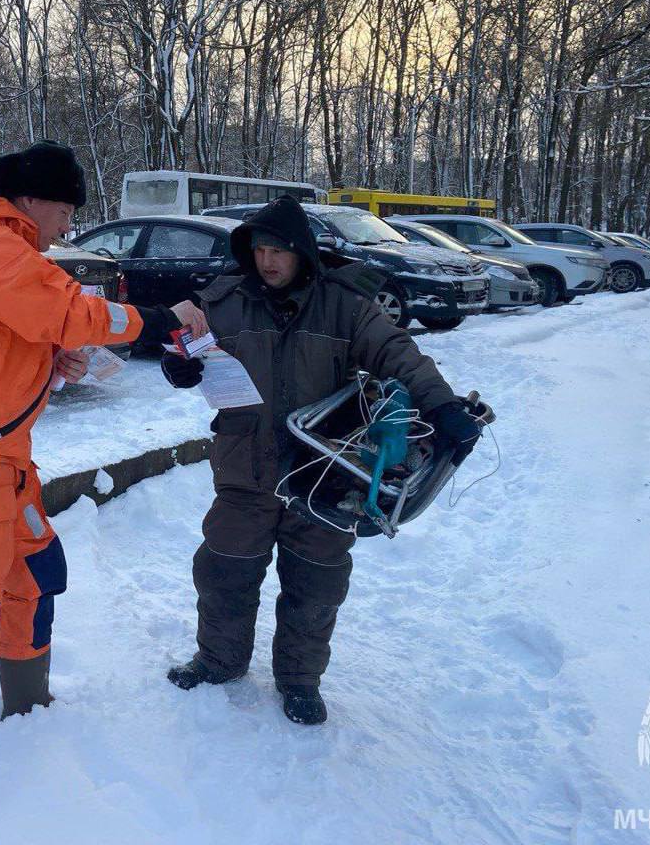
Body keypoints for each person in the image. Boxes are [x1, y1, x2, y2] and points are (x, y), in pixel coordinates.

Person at [0, 140, 206, 798]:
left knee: (37, 576)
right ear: (30, 200)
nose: (69, 227)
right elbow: (69, 310)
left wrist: (49, 362)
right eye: (65, 211)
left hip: (1, 459)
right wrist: (158, 320)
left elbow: (1, 339)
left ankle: (28, 709)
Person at [161, 195, 482, 725]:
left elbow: (399, 355)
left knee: (316, 583)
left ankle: (299, 681)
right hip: (245, 465)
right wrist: (180, 368)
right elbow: (186, 350)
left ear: (302, 253)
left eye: (280, 251)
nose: (268, 262)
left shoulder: (345, 303)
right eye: (260, 249)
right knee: (224, 571)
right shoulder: (224, 301)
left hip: (324, 471)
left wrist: (442, 406)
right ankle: (218, 661)